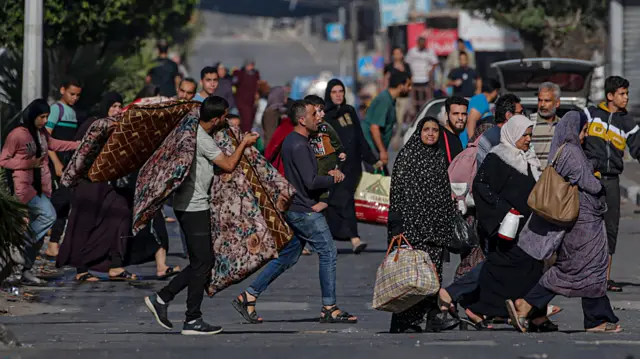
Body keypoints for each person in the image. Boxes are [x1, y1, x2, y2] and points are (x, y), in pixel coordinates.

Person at [230, 100, 358, 325]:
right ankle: (330, 307)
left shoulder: (296, 140)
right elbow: (310, 181)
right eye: (313, 113)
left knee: (289, 255)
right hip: (304, 210)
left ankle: (248, 296)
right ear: (302, 119)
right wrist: (333, 177)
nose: (318, 116)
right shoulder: (299, 145)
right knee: (328, 252)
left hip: (296, 207)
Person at [144, 96, 259, 335]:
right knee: (203, 263)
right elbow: (228, 164)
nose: (226, 120)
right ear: (216, 118)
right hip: (193, 205)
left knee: (201, 262)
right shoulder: (203, 140)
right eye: (225, 116)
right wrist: (244, 144)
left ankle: (164, 299)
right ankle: (191, 318)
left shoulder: (188, 129)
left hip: (187, 204)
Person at [506, 111, 622, 334]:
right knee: (580, 269)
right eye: (583, 129)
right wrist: (597, 178)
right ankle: (529, 305)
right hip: (583, 225)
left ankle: (593, 317)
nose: (584, 134)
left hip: (583, 222)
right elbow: (591, 184)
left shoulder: (568, 151)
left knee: (585, 269)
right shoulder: (570, 151)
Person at [440, 115, 547, 329]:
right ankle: (527, 310)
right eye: (524, 135)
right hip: (506, 227)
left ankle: (527, 311)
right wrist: (505, 209)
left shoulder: (527, 158)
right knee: (498, 267)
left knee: (520, 267)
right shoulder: (498, 157)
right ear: (513, 134)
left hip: (526, 227)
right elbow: (481, 187)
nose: (528, 139)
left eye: (530, 135)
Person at [387, 116, 459, 333]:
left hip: (436, 228)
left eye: (435, 130)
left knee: (433, 275)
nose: (430, 134)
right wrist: (397, 225)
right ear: (419, 132)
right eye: (426, 129)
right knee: (414, 277)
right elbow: (397, 192)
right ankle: (403, 321)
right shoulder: (408, 156)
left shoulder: (438, 155)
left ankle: (430, 317)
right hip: (413, 228)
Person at [0, 99, 80, 285]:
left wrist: (78, 145)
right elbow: (3, 161)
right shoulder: (18, 134)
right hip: (24, 188)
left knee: (39, 233)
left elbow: (54, 144)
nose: (45, 121)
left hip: (42, 187)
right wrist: (27, 164)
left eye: (46, 117)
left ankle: (26, 269)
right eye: (41, 117)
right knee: (48, 216)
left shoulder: (41, 133)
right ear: (32, 115)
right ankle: (17, 247)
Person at [583, 76, 640, 293]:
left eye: (627, 94)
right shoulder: (590, 114)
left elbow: (638, 150)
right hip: (589, 180)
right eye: (622, 94)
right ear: (610, 96)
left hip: (612, 181)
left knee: (610, 230)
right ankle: (584, 275)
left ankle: (603, 279)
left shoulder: (629, 124)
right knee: (585, 227)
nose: (626, 98)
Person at [322, 79, 380, 253]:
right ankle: (354, 239)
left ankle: (328, 238)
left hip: (353, 166)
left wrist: (372, 159)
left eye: (341, 91)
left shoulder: (350, 111)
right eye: (334, 92)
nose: (338, 95)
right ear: (329, 94)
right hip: (337, 166)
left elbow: (359, 137)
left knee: (343, 200)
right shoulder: (326, 116)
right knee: (343, 200)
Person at [44, 77, 83, 258]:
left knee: (65, 203)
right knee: (59, 201)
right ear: (62, 90)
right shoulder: (56, 110)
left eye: (77, 95)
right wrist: (57, 163)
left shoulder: (73, 113)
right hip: (56, 164)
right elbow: (47, 139)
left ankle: (54, 243)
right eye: (71, 94)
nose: (74, 98)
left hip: (68, 164)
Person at [361, 72, 412, 174]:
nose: (410, 88)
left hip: (375, 150)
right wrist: (382, 151)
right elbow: (374, 128)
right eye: (408, 85)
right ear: (401, 86)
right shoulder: (384, 100)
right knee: (377, 184)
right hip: (371, 149)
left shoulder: (390, 100)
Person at [305, 95, 346, 210]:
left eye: (322, 110)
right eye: (318, 111)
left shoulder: (325, 127)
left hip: (327, 159)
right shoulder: (305, 129)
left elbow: (336, 142)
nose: (322, 114)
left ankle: (323, 201)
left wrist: (340, 153)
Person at [476, 94, 523, 169]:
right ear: (509, 116)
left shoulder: (517, 138)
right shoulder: (489, 139)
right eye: (520, 113)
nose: (523, 117)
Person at [530, 82, 562, 167]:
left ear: (557, 103)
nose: (542, 105)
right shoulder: (529, 123)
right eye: (540, 100)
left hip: (556, 178)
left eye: (547, 101)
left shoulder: (563, 125)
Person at [464, 78, 501, 147]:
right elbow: (471, 122)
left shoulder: (483, 101)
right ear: (495, 91)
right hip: (469, 144)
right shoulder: (480, 100)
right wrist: (471, 144)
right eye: (497, 91)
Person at [406, 36, 439, 111]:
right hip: (414, 78)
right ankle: (416, 113)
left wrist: (430, 72)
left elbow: (435, 63)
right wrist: (410, 74)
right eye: (420, 43)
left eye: (423, 43)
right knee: (415, 100)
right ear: (417, 43)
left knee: (426, 99)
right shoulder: (412, 51)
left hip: (425, 79)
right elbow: (407, 63)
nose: (422, 45)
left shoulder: (430, 52)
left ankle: (427, 111)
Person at [384, 47, 412, 126]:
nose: (397, 55)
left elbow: (410, 79)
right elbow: (385, 79)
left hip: (404, 95)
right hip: (393, 95)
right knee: (394, 115)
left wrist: (406, 87)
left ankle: (400, 133)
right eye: (395, 54)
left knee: (402, 116)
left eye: (398, 53)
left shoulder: (406, 66)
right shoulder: (389, 66)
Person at [439, 96, 468, 165]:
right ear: (446, 115)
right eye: (456, 114)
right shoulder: (440, 137)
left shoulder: (456, 137)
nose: (460, 118)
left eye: (463, 114)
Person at [234, 60, 261, 132]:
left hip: (252, 102)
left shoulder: (255, 74)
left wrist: (257, 94)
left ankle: (247, 134)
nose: (251, 67)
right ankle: (245, 135)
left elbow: (257, 85)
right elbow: (234, 83)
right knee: (246, 119)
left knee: (251, 119)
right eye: (249, 65)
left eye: (252, 65)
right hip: (242, 101)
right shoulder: (240, 73)